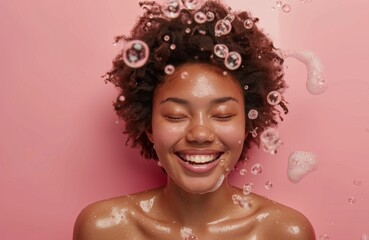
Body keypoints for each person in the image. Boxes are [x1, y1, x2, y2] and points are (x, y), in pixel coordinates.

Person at [73, 0, 316, 239]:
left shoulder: (284, 232)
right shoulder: (104, 229)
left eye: (223, 115)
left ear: (246, 125)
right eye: (175, 115)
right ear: (148, 126)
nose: (200, 134)